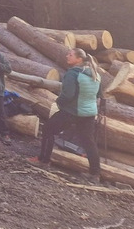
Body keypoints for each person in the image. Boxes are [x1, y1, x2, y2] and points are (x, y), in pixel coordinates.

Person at [30, 48, 103, 182]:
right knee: (88, 141)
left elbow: (68, 95)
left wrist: (59, 102)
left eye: (70, 55)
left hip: (72, 111)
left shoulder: (73, 73)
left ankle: (43, 160)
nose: (67, 56)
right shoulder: (95, 74)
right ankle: (95, 174)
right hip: (89, 114)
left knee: (48, 130)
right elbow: (98, 95)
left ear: (79, 59)